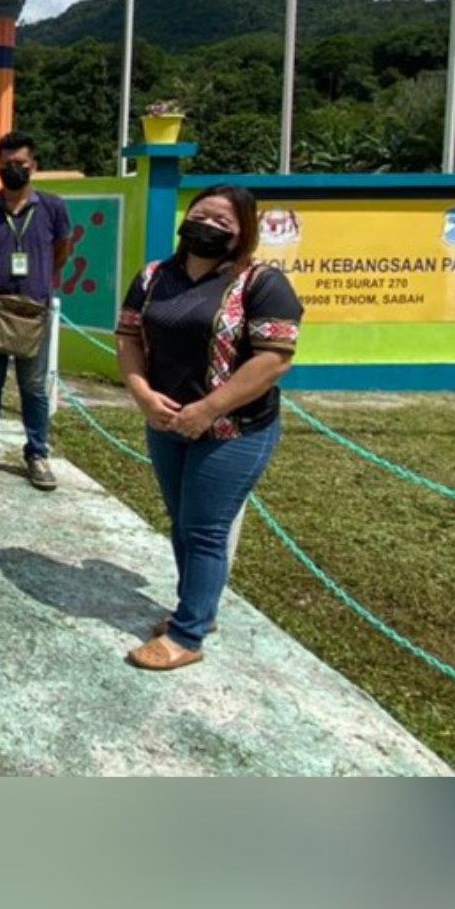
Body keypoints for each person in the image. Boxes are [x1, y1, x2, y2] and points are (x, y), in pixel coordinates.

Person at [115, 183, 303, 671]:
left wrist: (209, 408)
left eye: (223, 222)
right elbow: (129, 337)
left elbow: (274, 359)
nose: (207, 226)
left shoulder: (262, 284)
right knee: (182, 520)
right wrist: (141, 393)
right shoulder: (155, 277)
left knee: (204, 528)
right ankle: (197, 607)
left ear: (244, 233)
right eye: (201, 215)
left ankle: (188, 634)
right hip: (166, 423)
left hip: (235, 430)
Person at [0, 131, 71, 491]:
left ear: (33, 165)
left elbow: (61, 252)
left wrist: (36, 283)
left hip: (33, 312)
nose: (14, 169)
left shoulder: (52, 208)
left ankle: (37, 453)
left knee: (33, 387)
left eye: (20, 163)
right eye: (7, 163)